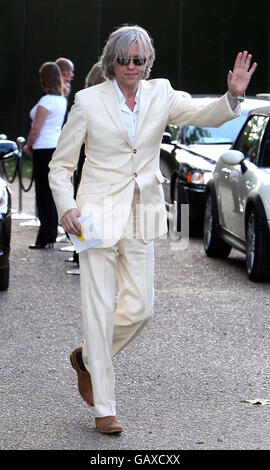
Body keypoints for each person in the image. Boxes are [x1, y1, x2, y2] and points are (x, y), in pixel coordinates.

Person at [48, 25, 257, 434]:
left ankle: (88, 359)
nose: (130, 66)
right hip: (93, 215)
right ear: (112, 61)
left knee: (142, 307)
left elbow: (203, 115)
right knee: (98, 308)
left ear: (148, 62)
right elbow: (61, 165)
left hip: (142, 212)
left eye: (138, 59)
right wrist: (66, 206)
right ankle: (104, 409)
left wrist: (233, 95)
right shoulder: (88, 101)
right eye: (123, 59)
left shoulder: (161, 93)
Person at [24, 62, 67, 249]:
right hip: (56, 146)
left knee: (43, 194)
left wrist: (28, 145)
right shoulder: (62, 99)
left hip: (43, 148)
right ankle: (51, 231)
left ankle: (45, 236)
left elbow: (36, 128)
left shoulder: (46, 102)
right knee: (53, 192)